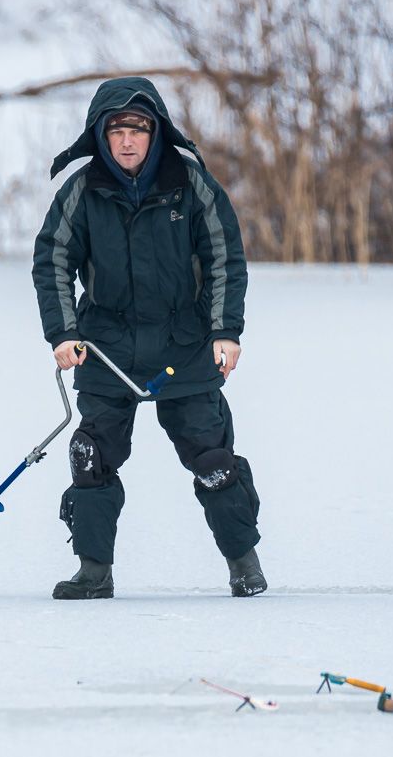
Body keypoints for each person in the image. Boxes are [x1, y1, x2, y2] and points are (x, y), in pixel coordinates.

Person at [32, 76, 265, 600]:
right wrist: (64, 333)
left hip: (185, 344)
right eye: (116, 131)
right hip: (106, 345)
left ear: (156, 132)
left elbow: (225, 257)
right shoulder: (82, 191)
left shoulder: (190, 183)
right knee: (91, 455)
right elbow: (53, 261)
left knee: (212, 459)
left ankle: (243, 563)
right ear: (100, 136)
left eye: (137, 129)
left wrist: (225, 331)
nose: (127, 141)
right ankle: (94, 572)